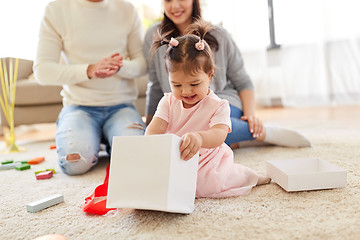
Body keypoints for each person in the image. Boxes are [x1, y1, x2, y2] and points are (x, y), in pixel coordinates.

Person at [143, 0, 311, 149]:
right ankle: (236, 141)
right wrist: (150, 125)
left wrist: (250, 116)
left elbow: (243, 82)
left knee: (203, 130)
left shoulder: (219, 35)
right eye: (168, 0)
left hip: (224, 101)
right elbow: (155, 85)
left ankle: (261, 132)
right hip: (182, 106)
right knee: (177, 133)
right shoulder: (154, 36)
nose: (174, 6)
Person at [145, 20, 270, 198]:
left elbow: (219, 135)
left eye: (194, 84)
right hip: (175, 157)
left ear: (210, 74)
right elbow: (155, 127)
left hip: (206, 159)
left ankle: (250, 177)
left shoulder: (218, 105)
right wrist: (151, 142)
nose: (186, 91)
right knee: (158, 182)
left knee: (208, 185)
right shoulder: (168, 101)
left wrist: (199, 138)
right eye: (177, 85)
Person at [34, 0, 147, 175]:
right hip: (79, 108)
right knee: (75, 164)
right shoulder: (56, 10)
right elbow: (42, 70)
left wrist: (118, 66)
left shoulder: (127, 9)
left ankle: (105, 140)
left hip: (121, 107)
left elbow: (142, 64)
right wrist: (89, 70)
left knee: (136, 158)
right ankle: (95, 138)